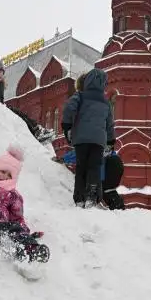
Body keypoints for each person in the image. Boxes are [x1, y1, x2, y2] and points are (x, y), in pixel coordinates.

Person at [62, 68, 115, 208]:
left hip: (81, 139)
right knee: (94, 167)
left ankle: (79, 198)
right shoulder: (106, 102)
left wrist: (67, 125)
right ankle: (92, 196)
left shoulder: (80, 95)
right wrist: (110, 141)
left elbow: (69, 108)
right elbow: (109, 124)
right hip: (98, 141)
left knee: (81, 168)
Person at [0, 60, 55, 143]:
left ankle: (37, 131)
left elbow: (0, 100)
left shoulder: (0, 84)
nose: (1, 74)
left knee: (20, 114)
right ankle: (36, 132)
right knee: (16, 115)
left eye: (2, 72)